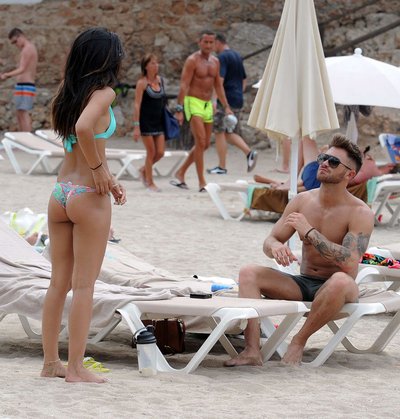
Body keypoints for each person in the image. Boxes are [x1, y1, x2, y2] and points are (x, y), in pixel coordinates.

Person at [225, 134, 374, 366]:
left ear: (349, 174)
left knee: (340, 281)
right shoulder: (302, 201)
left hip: (337, 290)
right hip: (303, 282)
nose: (324, 163)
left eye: (333, 162)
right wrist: (276, 246)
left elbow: (349, 262)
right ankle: (252, 350)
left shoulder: (360, 212)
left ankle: (299, 341)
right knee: (248, 272)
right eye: (323, 158)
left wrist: (310, 232)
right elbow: (271, 240)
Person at [40, 27, 127, 383]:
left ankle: (50, 363)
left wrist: (108, 175)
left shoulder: (67, 90)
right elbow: (84, 128)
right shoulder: (104, 93)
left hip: (61, 192)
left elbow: (74, 136)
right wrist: (99, 169)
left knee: (58, 283)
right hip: (88, 196)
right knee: (84, 285)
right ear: (108, 59)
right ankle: (75, 367)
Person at [171, 30, 233, 192]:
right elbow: (184, 84)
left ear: (214, 43)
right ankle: (201, 182)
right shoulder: (192, 60)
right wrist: (179, 108)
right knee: (200, 141)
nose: (208, 45)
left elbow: (218, 86)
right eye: (205, 42)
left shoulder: (215, 61)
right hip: (193, 102)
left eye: (211, 42)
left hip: (207, 104)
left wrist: (226, 106)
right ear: (199, 42)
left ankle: (180, 173)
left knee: (204, 145)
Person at [207, 33, 257, 175]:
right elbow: (244, 80)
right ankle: (249, 153)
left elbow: (219, 81)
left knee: (219, 131)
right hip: (237, 98)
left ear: (218, 42)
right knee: (229, 132)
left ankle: (222, 167)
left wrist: (214, 100)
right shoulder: (237, 56)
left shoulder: (222, 57)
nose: (212, 47)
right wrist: (238, 93)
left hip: (225, 99)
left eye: (213, 44)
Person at [133, 53, 166, 192]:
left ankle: (143, 170)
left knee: (161, 152)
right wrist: (136, 126)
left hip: (159, 121)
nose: (156, 65)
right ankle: (150, 182)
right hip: (145, 122)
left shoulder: (160, 80)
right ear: (146, 66)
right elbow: (137, 104)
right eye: (152, 63)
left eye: (156, 63)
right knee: (151, 152)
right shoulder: (142, 83)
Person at [0, 28, 38, 131]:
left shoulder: (28, 48)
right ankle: (22, 136)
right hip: (22, 85)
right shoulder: (26, 49)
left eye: (15, 41)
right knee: (19, 112)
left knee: (24, 112)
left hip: (27, 85)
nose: (15, 45)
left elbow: (22, 69)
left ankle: (27, 137)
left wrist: (6, 75)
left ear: (20, 36)